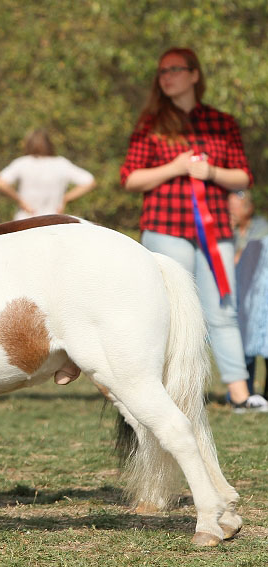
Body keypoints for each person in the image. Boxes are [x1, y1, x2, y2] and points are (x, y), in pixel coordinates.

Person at [121, 46, 268, 413]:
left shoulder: (222, 122)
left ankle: (240, 394)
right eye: (162, 72)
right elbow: (131, 179)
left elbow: (243, 177)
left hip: (215, 231)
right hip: (165, 227)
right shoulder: (151, 124)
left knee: (223, 309)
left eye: (174, 69)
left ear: (194, 75)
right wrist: (174, 166)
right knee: (169, 312)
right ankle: (168, 393)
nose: (166, 77)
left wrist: (212, 173)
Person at [0, 128, 96, 220]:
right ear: (50, 144)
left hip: (25, 220)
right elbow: (90, 181)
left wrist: (20, 201)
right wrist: (65, 198)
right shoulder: (61, 163)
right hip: (53, 221)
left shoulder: (23, 163)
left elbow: (1, 183)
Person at [230, 190, 268, 397]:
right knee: (242, 347)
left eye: (236, 209)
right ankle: (245, 393)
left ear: (249, 209)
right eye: (230, 209)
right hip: (239, 296)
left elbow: (245, 259)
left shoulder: (262, 228)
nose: (231, 213)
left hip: (261, 300)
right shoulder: (229, 230)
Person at [229, 190, 268, 263]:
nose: (231, 212)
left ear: (249, 208)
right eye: (229, 207)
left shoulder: (261, 226)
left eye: (234, 207)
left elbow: (247, 255)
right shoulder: (231, 229)